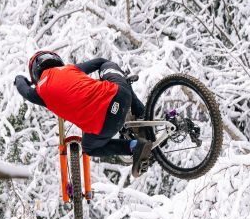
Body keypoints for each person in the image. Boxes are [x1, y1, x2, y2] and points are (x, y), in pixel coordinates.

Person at [14, 50, 153, 177]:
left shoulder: (39, 92)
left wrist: (20, 79)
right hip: (120, 95)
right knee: (107, 65)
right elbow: (100, 61)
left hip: (105, 125)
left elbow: (24, 90)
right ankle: (141, 114)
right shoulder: (69, 68)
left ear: (35, 74)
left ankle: (135, 146)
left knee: (89, 148)